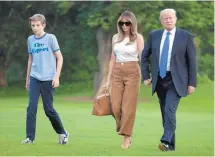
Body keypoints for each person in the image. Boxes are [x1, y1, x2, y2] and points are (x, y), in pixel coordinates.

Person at [141, 8, 197, 151]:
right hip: (159, 79)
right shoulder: (154, 35)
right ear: (161, 21)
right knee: (165, 112)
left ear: (175, 19)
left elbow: (192, 61)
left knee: (169, 110)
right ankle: (170, 146)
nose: (168, 20)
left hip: (177, 80)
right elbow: (145, 56)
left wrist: (192, 83)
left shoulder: (185, 36)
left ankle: (165, 140)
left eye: (171, 17)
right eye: (165, 18)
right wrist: (146, 76)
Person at [21, 14, 69, 144]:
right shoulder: (30, 40)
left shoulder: (50, 38)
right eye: (33, 25)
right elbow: (30, 60)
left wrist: (56, 76)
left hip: (48, 79)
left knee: (49, 110)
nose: (35, 28)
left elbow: (60, 58)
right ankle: (30, 138)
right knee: (31, 108)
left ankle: (63, 133)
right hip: (35, 77)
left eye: (37, 25)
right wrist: (27, 79)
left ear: (43, 25)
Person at [105, 11, 144, 149]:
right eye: (121, 23)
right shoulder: (115, 37)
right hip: (116, 72)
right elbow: (112, 58)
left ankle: (127, 138)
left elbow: (142, 56)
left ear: (132, 23)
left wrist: (147, 76)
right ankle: (124, 127)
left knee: (128, 107)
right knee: (115, 107)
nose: (124, 25)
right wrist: (108, 79)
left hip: (132, 72)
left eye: (127, 23)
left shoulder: (137, 38)